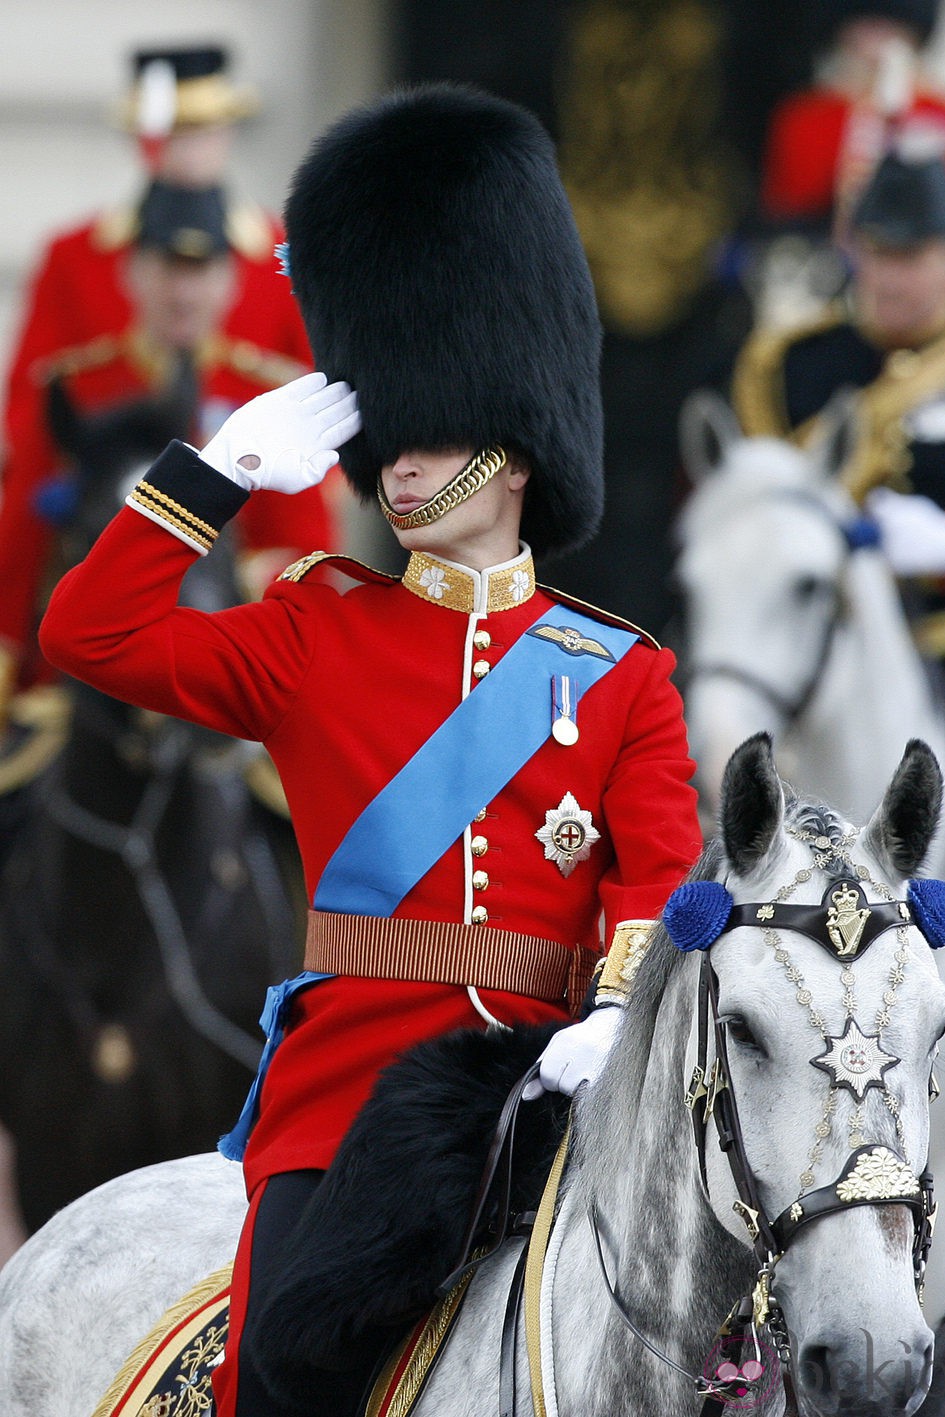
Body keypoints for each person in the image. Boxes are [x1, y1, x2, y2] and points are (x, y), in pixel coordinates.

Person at [39, 85, 703, 1414]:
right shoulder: (313, 629)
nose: (398, 467)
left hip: (543, 1087)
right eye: (387, 438)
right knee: (283, 1375)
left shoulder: (620, 672)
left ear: (513, 448)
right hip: (343, 1108)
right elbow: (89, 634)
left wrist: (619, 1011)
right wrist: (212, 472)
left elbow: (663, 869)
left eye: (434, 435)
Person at [0, 44, 317, 719]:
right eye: (169, 132)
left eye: (200, 130)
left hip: (237, 595)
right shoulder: (76, 257)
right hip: (95, 569)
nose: (184, 150)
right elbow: (32, 453)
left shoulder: (284, 258)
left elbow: (308, 469)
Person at [733, 144, 945, 729]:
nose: (891, 276)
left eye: (911, 255)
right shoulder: (792, 365)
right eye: (877, 253)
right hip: (817, 616)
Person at [759, 0, 945, 284]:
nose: (877, 40)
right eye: (866, 27)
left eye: (891, 27)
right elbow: (787, 216)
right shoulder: (805, 119)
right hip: (829, 277)